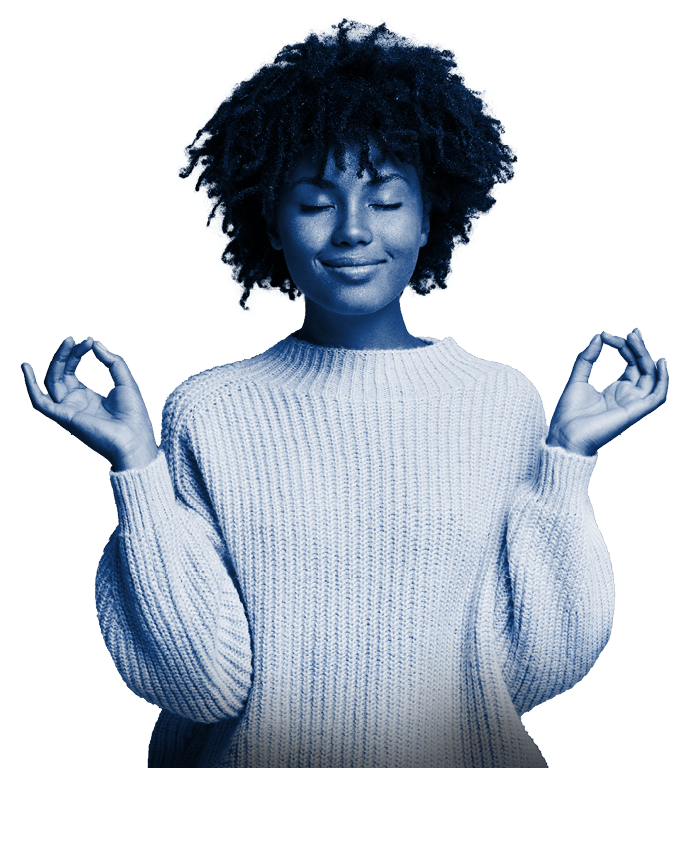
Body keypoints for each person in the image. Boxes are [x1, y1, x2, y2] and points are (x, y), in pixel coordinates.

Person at [21, 19, 668, 767]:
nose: (353, 231)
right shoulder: (209, 410)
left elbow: (525, 670)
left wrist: (567, 460)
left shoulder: (502, 401)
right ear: (271, 217)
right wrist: (138, 466)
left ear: (432, 216)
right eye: (316, 201)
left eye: (388, 199)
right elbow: (199, 686)